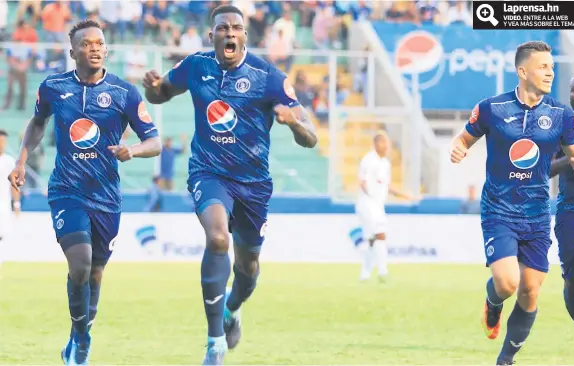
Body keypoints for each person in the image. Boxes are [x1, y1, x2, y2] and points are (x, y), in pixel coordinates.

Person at [141, 5, 318, 365]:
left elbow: (311, 138)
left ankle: (232, 309)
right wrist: (153, 89)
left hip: (253, 185)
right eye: (223, 28)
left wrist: (293, 123)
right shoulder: (195, 66)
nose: (230, 34)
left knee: (248, 269)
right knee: (218, 238)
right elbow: (161, 94)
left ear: (245, 36)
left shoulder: (268, 77)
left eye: (236, 28)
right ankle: (214, 342)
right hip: (208, 173)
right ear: (213, 36)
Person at [7, 19, 161, 366]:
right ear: (72, 50)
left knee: (95, 274)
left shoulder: (124, 93)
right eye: (87, 43)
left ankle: (78, 335)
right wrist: (20, 161)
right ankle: (82, 340)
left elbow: (154, 141)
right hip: (67, 191)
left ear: (106, 49)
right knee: (80, 265)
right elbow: (36, 123)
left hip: (106, 196)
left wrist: (132, 150)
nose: (94, 47)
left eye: (100, 43)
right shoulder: (53, 87)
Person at [450, 41, 574, 365]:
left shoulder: (561, 115)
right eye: (543, 67)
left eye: (551, 66)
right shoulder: (492, 109)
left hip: (537, 214)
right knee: (508, 284)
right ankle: (492, 303)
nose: (550, 72)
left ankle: (505, 359)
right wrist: (458, 148)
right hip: (499, 209)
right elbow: (463, 138)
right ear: (523, 72)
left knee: (530, 291)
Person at [550, 71, 574, 354]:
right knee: (573, 280)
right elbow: (545, 169)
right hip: (570, 211)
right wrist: (571, 159)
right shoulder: (559, 126)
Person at [356, 131, 415, 281]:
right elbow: (363, 181)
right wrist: (370, 194)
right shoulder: (368, 160)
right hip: (367, 203)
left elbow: (387, 186)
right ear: (375, 144)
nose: (386, 146)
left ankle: (365, 274)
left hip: (377, 204)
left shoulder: (385, 164)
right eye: (383, 142)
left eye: (387, 143)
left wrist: (405, 195)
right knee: (380, 233)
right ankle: (383, 271)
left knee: (372, 239)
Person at [0, 130, 20, 272]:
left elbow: (14, 185)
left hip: (3, 204)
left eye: (3, 141)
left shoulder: (8, 161)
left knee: (1, 235)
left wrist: (16, 203)